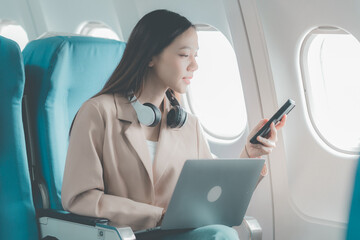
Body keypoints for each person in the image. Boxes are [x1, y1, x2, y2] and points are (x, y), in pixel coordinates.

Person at [61, 9, 286, 240]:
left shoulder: (187, 124)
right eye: (184, 55)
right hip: (122, 235)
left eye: (196, 55)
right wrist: (157, 215)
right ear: (149, 56)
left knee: (221, 234)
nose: (194, 65)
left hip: (175, 235)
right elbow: (80, 197)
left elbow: (212, 196)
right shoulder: (98, 112)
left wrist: (250, 154)